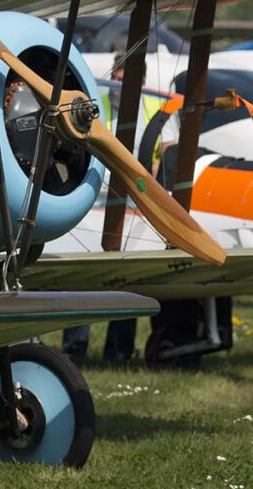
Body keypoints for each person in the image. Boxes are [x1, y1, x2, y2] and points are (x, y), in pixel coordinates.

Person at [62, 54, 179, 364]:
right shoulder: (95, 105)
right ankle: (74, 349)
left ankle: (119, 352)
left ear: (140, 83)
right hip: (93, 201)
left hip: (134, 205)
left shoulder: (156, 107)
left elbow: (166, 153)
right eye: (116, 79)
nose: (118, 87)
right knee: (82, 277)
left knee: (126, 278)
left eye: (126, 81)